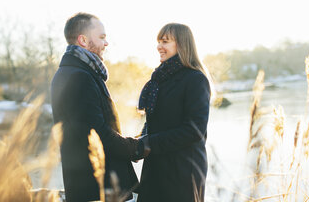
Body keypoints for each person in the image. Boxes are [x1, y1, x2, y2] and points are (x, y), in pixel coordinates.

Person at [51, 12, 148, 202]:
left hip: (90, 186)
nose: (106, 43)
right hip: (97, 188)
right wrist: (137, 147)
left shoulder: (76, 72)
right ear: (83, 40)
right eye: (102, 37)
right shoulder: (80, 77)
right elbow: (97, 134)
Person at [137, 23, 211, 202]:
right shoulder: (159, 80)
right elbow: (156, 122)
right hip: (155, 167)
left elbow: (194, 131)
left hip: (183, 171)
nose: (159, 47)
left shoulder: (195, 80)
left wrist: (148, 143)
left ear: (182, 45)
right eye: (158, 42)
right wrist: (137, 142)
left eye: (165, 41)